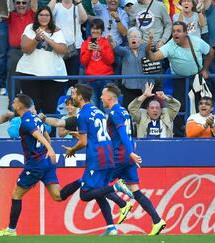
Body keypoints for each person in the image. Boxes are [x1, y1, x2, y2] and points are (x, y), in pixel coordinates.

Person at [0, 94, 81, 236]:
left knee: (16, 195)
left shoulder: (26, 120)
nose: (13, 104)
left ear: (20, 106)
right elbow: (46, 135)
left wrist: (50, 149)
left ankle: (11, 230)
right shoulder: (36, 118)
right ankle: (82, 181)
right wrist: (48, 149)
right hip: (47, 162)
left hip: (35, 164)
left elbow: (38, 136)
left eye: (15, 102)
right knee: (58, 196)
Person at [62, 84, 134, 235]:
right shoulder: (98, 111)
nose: (72, 96)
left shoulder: (82, 114)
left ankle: (117, 188)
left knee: (85, 194)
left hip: (97, 157)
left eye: (74, 94)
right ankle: (111, 227)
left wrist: (72, 150)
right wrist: (81, 136)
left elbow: (84, 142)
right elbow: (96, 134)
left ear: (80, 97)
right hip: (108, 154)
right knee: (98, 191)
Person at [101, 83, 166, 235]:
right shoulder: (123, 111)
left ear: (110, 97)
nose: (101, 97)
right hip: (128, 155)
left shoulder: (114, 113)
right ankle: (157, 220)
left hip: (121, 155)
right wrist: (131, 152)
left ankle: (122, 202)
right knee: (136, 191)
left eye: (103, 95)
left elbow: (123, 134)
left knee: (96, 186)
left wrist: (129, 152)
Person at [146, 21, 214, 136]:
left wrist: (205, 69)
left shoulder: (196, 41)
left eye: (178, 31)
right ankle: (178, 134)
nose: (175, 33)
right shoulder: (170, 45)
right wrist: (148, 49)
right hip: (180, 80)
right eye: (173, 31)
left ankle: (203, 132)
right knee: (179, 106)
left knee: (201, 105)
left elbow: (211, 51)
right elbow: (153, 57)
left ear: (185, 33)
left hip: (197, 77)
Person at [16, 6, 68, 120]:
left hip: (53, 76)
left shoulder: (57, 31)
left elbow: (63, 50)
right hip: (30, 73)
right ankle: (32, 136)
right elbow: (25, 49)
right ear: (37, 16)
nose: (44, 17)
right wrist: (36, 39)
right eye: (41, 15)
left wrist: (48, 39)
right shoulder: (30, 28)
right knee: (31, 109)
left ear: (51, 17)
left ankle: (50, 137)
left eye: (47, 15)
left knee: (50, 110)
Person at [109, 27, 155, 109]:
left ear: (140, 39)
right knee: (129, 110)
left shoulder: (144, 48)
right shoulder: (126, 51)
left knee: (145, 112)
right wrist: (111, 41)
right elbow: (116, 48)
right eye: (131, 36)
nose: (133, 38)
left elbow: (149, 47)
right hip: (129, 88)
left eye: (136, 36)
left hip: (145, 88)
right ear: (128, 40)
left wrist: (151, 39)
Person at [48, 0, 88, 88]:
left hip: (75, 48)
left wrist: (79, 2)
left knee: (72, 80)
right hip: (58, 47)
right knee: (58, 79)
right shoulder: (57, 6)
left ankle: (72, 99)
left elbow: (84, 19)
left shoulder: (77, 7)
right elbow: (47, 12)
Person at [6, 0, 38, 109]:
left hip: (31, 50)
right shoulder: (10, 15)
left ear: (28, 4)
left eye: (24, 2)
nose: (21, 5)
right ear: (14, 4)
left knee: (31, 77)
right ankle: (13, 105)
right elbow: (3, 7)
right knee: (13, 77)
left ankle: (31, 106)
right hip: (15, 50)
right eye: (18, 2)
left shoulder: (32, 14)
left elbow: (35, 3)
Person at [80, 18, 114, 108]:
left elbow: (110, 61)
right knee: (93, 108)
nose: (95, 31)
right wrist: (89, 50)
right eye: (93, 29)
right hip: (91, 80)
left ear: (102, 30)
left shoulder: (106, 42)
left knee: (107, 109)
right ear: (90, 30)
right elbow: (83, 62)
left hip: (106, 79)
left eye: (98, 29)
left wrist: (100, 50)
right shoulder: (85, 43)